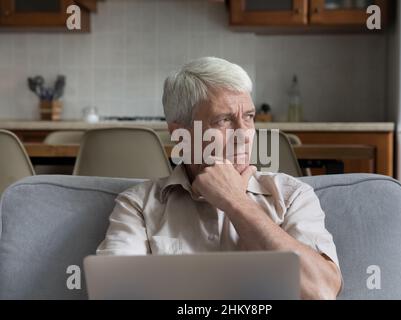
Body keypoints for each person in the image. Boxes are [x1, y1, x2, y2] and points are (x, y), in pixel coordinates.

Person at [97, 57, 342, 299]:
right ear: (180, 134)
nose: (245, 134)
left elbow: (320, 292)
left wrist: (236, 202)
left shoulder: (292, 196)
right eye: (224, 120)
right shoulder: (139, 205)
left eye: (248, 116)